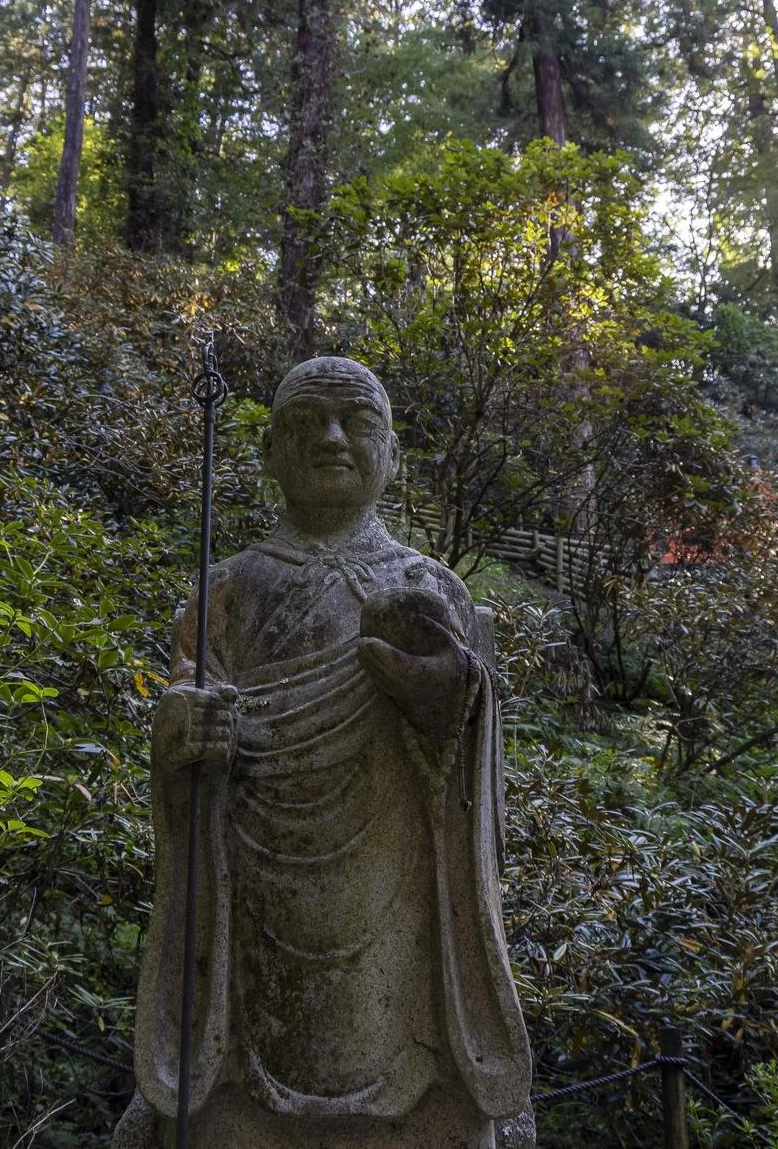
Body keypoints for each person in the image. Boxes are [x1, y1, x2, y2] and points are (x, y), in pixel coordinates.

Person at [116, 357, 533, 1148]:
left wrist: (449, 697)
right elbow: (186, 699)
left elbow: (475, 742)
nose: (333, 439)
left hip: (396, 890)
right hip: (254, 888)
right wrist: (182, 731)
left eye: (357, 421)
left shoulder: (430, 585)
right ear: (272, 452)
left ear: (392, 452)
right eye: (308, 424)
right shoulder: (229, 588)